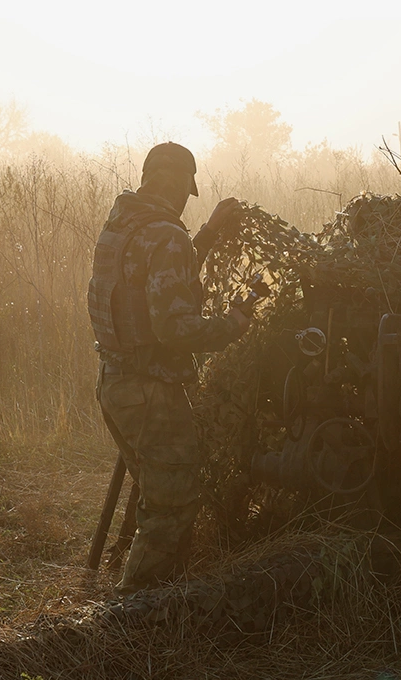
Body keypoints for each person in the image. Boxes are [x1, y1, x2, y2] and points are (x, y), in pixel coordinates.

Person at [88, 142, 251, 595]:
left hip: (115, 384)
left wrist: (209, 233)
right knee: (172, 507)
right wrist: (233, 324)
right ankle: (134, 620)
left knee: (157, 495)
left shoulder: (121, 224)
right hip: (151, 392)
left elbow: (157, 279)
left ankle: (158, 602)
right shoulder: (166, 235)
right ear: (180, 183)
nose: (186, 198)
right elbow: (175, 329)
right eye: (187, 189)